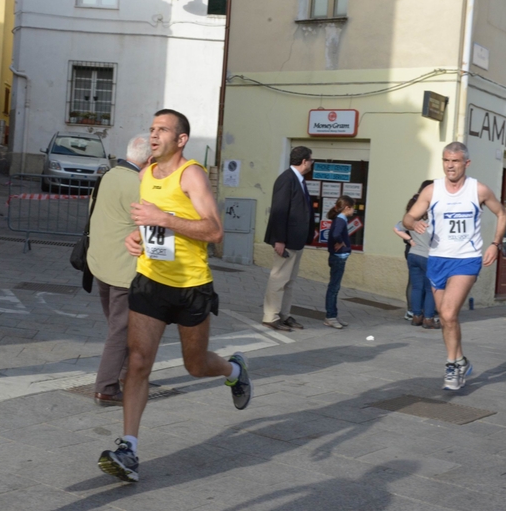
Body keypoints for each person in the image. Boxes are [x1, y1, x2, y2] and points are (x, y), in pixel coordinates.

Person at [97, 109, 252, 482]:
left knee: (195, 365)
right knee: (138, 362)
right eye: (151, 128)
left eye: (163, 130)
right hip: (150, 281)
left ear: (181, 140)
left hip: (191, 287)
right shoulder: (146, 173)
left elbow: (215, 231)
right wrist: (137, 236)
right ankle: (129, 448)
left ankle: (233, 370)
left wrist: (164, 219)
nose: (154, 135)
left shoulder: (191, 174)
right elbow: (149, 223)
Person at [404, 141, 506, 391]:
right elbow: (408, 216)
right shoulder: (432, 190)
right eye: (446, 160)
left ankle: (451, 365)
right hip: (437, 259)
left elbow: (502, 213)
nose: (449, 166)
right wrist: (412, 223)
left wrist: (495, 244)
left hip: (466, 259)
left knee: (449, 314)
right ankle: (461, 360)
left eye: (455, 161)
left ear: (466, 163)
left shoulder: (478, 190)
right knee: (446, 317)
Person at [87, 134, 151, 406]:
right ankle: (106, 387)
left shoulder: (107, 176)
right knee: (120, 330)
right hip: (125, 268)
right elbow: (150, 225)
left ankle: (127, 374)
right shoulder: (140, 185)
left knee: (118, 326)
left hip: (100, 263)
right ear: (150, 160)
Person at [261, 146, 313, 331]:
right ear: (304, 161)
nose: (312, 163)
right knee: (279, 278)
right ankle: (270, 316)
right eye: (311, 160)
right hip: (287, 240)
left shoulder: (298, 180)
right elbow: (279, 211)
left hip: (296, 240)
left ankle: (284, 314)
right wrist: (279, 239)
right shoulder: (286, 179)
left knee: (289, 280)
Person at [394, 180, 439, 329]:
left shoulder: (412, 219)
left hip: (413, 255)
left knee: (416, 288)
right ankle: (428, 319)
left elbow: (396, 227)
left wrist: (410, 240)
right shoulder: (432, 218)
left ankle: (416, 316)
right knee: (430, 289)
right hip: (428, 256)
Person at [323, 195, 355, 329]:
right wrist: (340, 243)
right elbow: (335, 234)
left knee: (335, 287)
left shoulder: (340, 219)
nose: (354, 211)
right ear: (347, 208)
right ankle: (330, 316)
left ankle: (333, 315)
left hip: (339, 257)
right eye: (352, 208)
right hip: (338, 257)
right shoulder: (341, 220)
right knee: (334, 288)